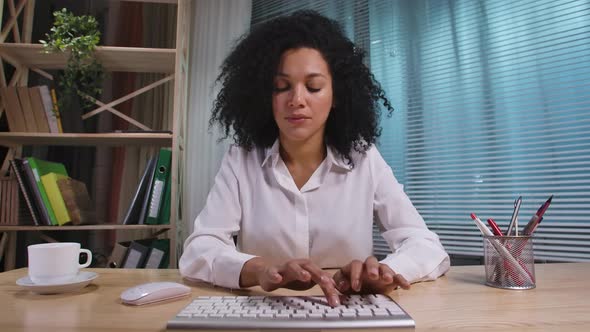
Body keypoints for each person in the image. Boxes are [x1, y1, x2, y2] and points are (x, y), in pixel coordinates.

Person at [179, 10, 450, 307]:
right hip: (266, 312)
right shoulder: (241, 160)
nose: (296, 99)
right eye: (281, 87)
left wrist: (385, 272)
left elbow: (426, 246)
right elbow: (198, 251)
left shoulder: (364, 158)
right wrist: (259, 270)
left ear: (336, 96)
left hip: (348, 312)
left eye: (313, 86)